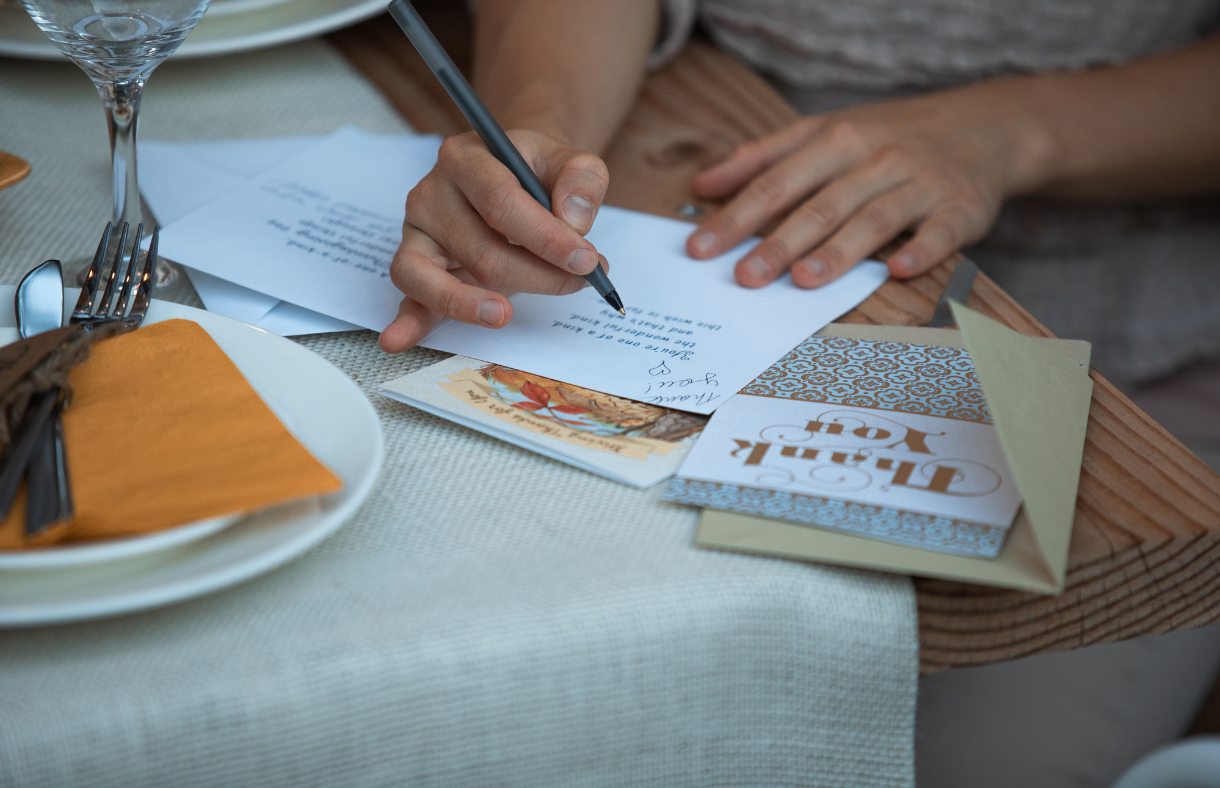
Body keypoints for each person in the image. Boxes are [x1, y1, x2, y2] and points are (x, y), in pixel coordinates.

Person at [379, 0, 1220, 389]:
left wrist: (1012, 131)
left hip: (1132, 332)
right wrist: (540, 124)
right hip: (699, 147)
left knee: (1007, 752)